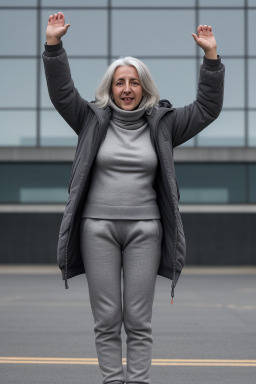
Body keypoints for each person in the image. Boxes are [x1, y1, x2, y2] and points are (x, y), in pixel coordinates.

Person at [42, 11, 225, 384]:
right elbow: (62, 93)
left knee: (138, 320)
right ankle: (113, 380)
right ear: (110, 88)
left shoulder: (164, 124)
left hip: (146, 231)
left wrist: (211, 59)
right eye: (120, 83)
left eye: (134, 83)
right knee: (107, 318)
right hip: (97, 229)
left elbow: (207, 108)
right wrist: (53, 46)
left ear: (145, 88)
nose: (127, 89)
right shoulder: (89, 119)